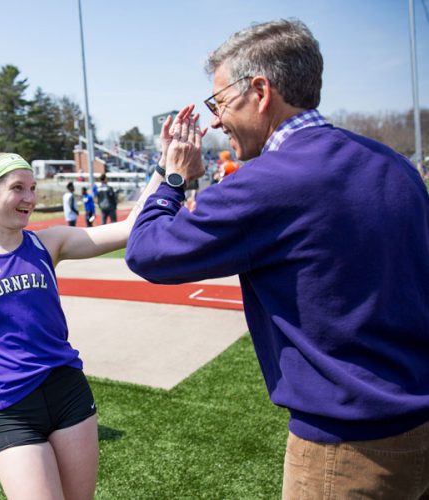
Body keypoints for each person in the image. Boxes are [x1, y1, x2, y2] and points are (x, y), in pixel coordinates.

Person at [125, 19, 429, 498]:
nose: (217, 121)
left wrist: (173, 177)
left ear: (260, 91)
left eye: (220, 102)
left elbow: (147, 251)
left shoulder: (269, 181)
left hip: (348, 447)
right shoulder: (392, 163)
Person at [0, 106, 202, 498]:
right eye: (18, 189)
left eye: (32, 188)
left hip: (67, 394)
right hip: (10, 409)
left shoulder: (49, 242)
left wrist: (164, 165)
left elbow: (130, 229)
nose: (30, 198)